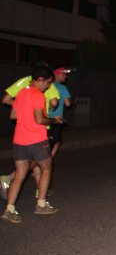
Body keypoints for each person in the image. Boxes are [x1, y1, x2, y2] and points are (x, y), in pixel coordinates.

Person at [2, 66, 61, 224]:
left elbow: (13, 115)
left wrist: (26, 113)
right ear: (40, 80)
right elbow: (40, 120)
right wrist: (54, 120)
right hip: (36, 140)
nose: (48, 86)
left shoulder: (22, 92)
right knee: (47, 168)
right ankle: (41, 204)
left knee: (20, 175)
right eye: (48, 83)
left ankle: (9, 209)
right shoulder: (37, 95)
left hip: (19, 140)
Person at [48, 67, 72, 158]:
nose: (66, 76)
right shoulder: (62, 87)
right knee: (54, 142)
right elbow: (68, 104)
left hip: (43, 118)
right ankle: (45, 163)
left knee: (56, 141)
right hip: (56, 119)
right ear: (56, 74)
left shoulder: (46, 85)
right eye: (63, 74)